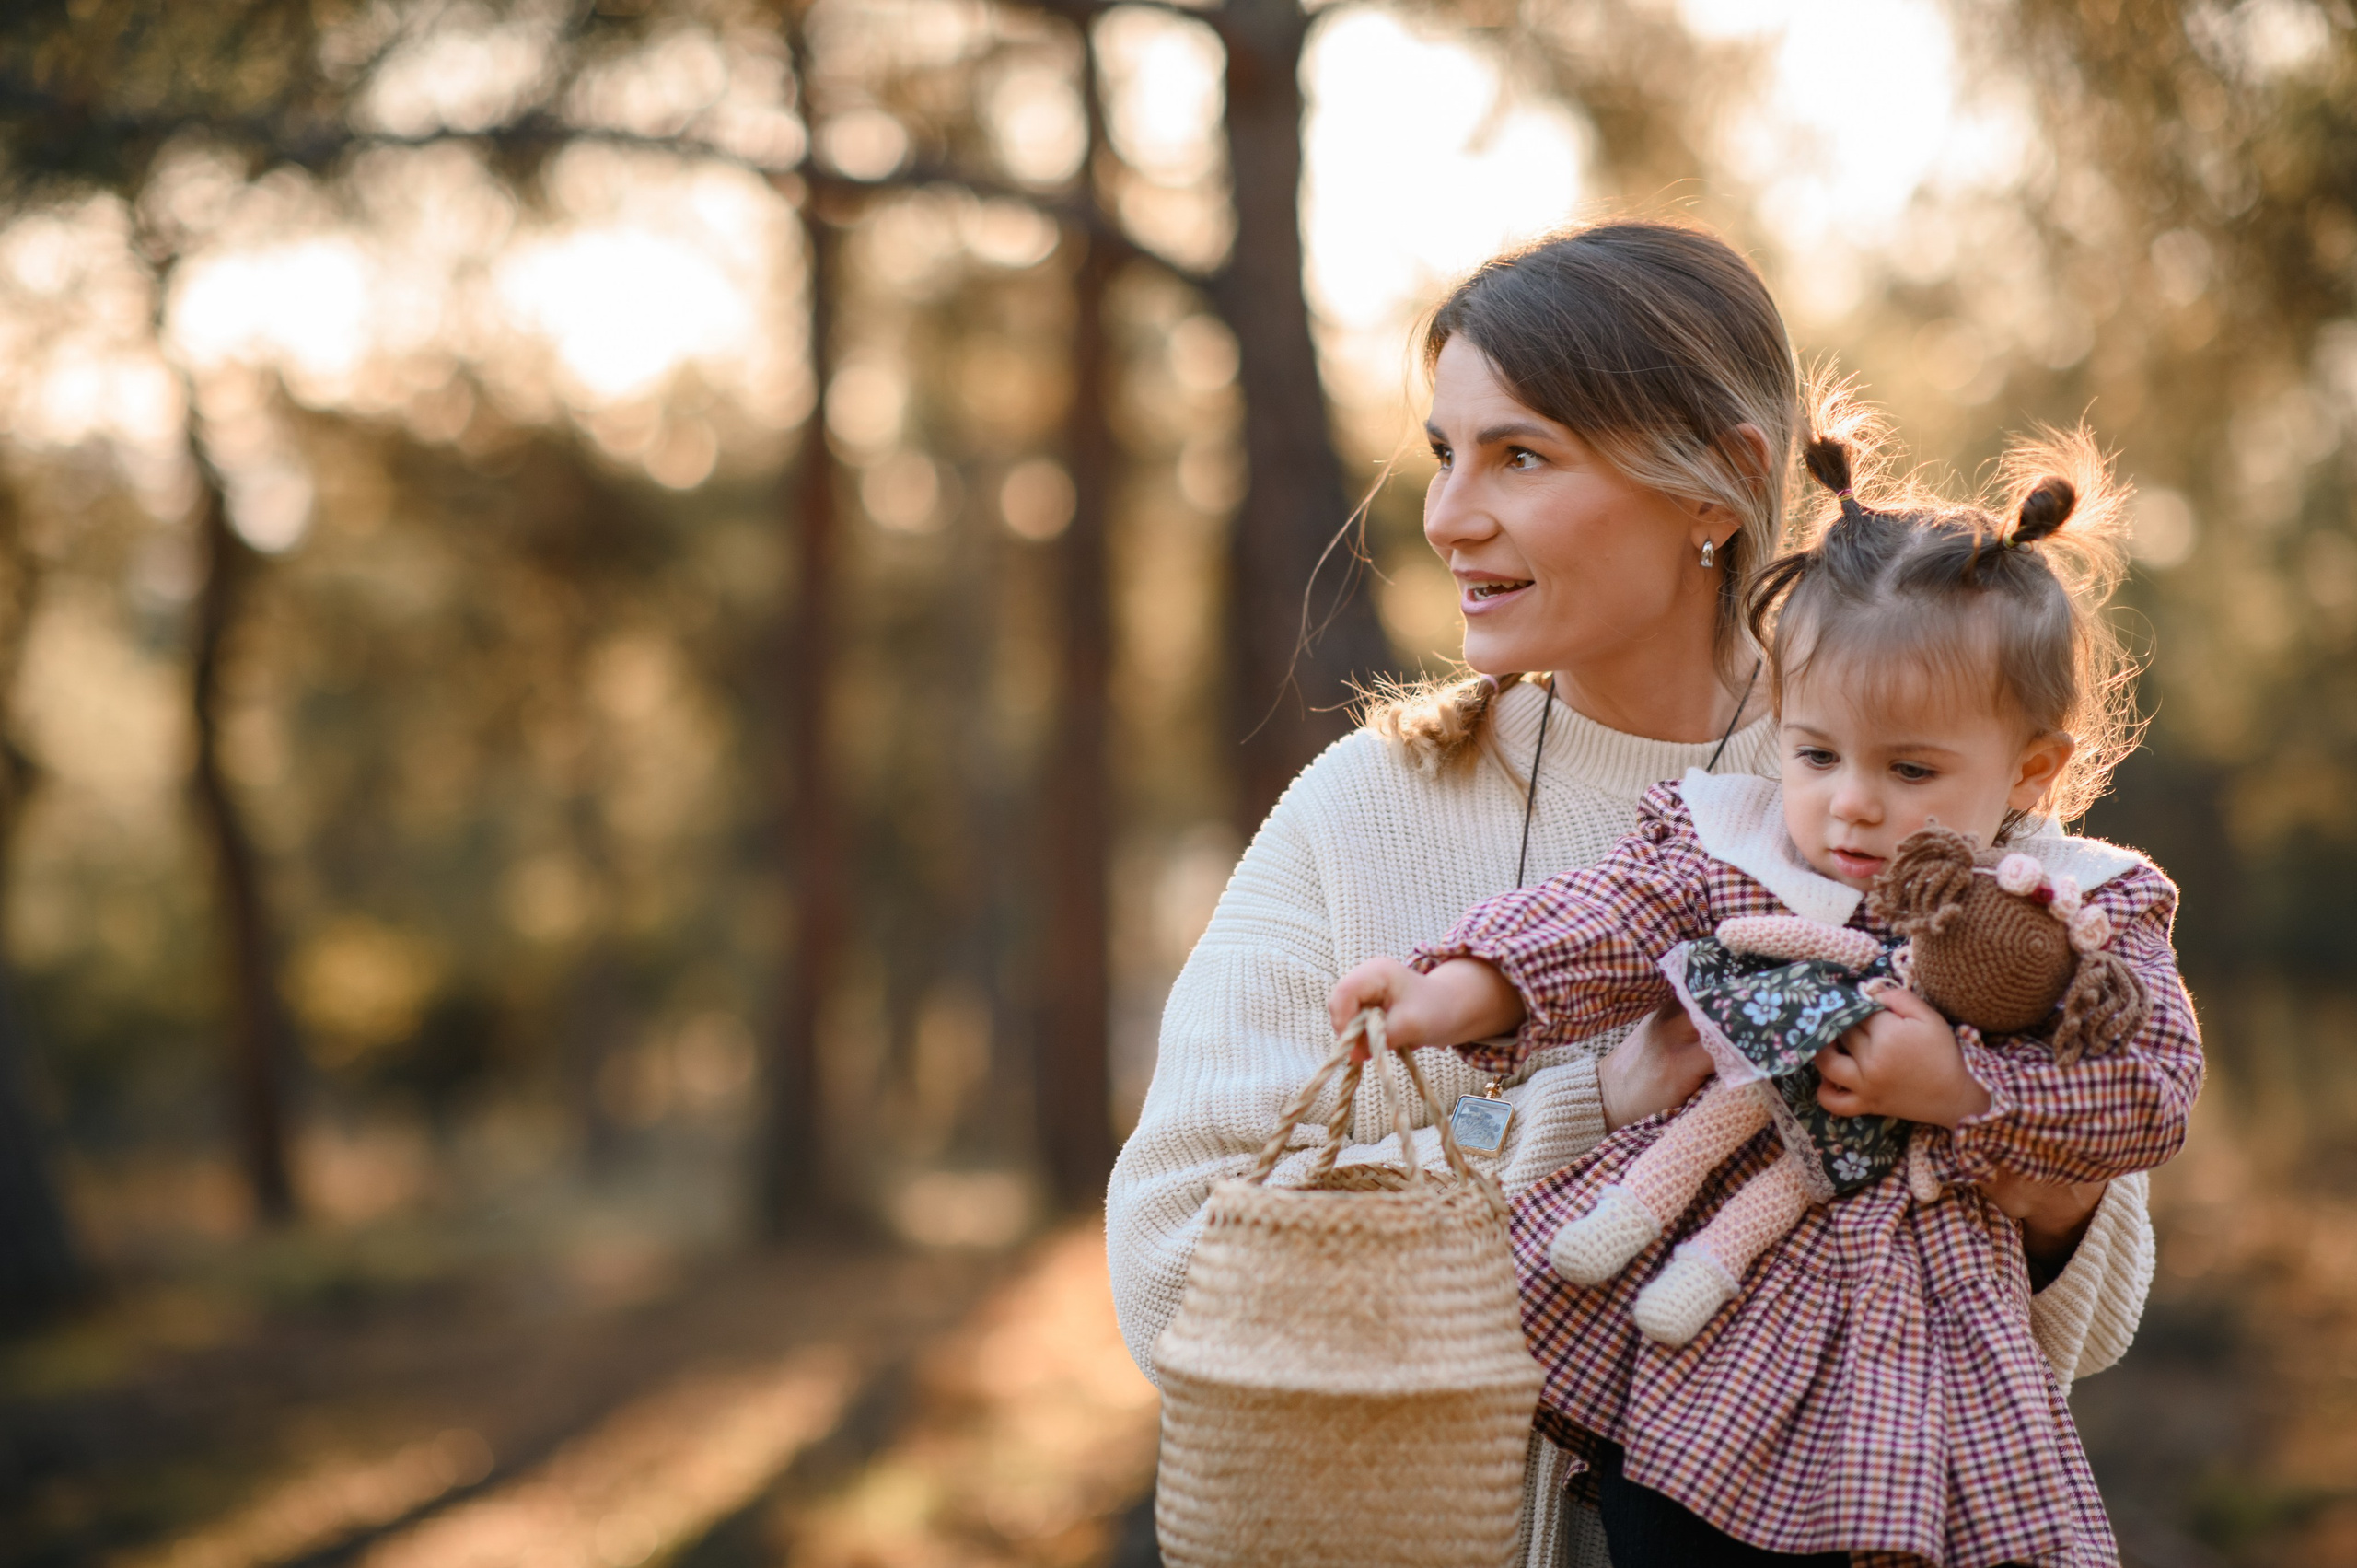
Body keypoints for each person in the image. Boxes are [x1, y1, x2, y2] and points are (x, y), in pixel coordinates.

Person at [1104, 219, 2158, 1567]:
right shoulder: (1360, 810)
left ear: (1720, 485)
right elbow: (1176, 1267)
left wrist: (2001, 1144)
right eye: (1445, 453)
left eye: (1521, 454)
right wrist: (1586, 1115)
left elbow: (2102, 1299)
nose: (1448, 514)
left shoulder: (1900, 784)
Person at [1331, 423, 2200, 1566]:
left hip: (1921, 1346)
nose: (1850, 806)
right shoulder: (1733, 845)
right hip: (1706, 1347)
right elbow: (1604, 921)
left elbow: (2149, 1087)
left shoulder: (2074, 906)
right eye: (1815, 754)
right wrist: (1457, 988)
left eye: (1911, 770)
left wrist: (1963, 1085)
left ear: (2029, 768)